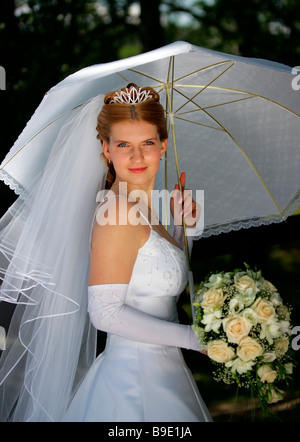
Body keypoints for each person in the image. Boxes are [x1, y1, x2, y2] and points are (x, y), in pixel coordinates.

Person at [0, 83, 211, 422]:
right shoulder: (118, 211)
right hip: (133, 384)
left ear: (163, 147)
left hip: (165, 374)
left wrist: (183, 228)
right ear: (106, 149)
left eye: (148, 144)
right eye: (123, 144)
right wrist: (196, 337)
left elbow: (154, 278)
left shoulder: (142, 207)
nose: (137, 157)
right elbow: (106, 313)